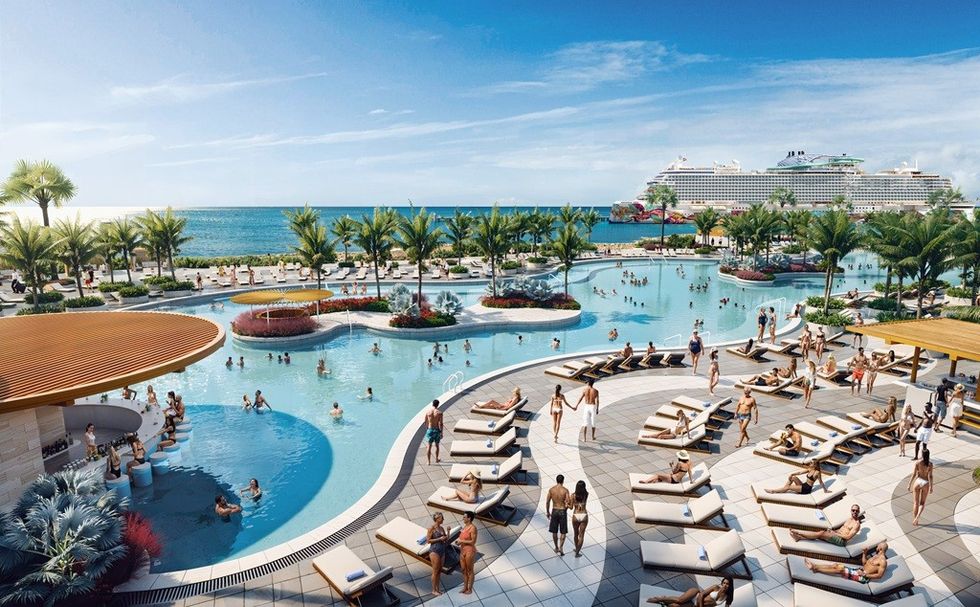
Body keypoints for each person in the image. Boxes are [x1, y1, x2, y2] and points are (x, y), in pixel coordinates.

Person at [803, 543, 889, 585]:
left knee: (840, 569)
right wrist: (864, 553)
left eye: (878, 546)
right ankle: (815, 566)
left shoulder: (882, 561)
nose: (876, 547)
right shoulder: (875, 557)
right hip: (859, 571)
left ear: (880, 548)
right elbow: (864, 563)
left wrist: (865, 574)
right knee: (835, 565)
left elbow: (879, 575)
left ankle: (815, 569)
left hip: (863, 578)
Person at [789, 503, 863, 545]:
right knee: (819, 534)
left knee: (821, 534)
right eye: (853, 510)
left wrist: (835, 534)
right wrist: (833, 531)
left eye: (856, 511)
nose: (855, 512)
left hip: (841, 541)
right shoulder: (849, 519)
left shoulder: (856, 524)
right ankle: (799, 537)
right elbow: (841, 529)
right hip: (837, 535)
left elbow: (848, 537)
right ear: (851, 511)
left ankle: (798, 532)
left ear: (859, 511)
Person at [644, 577, 733, 606]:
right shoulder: (716, 587)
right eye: (724, 583)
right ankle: (659, 598)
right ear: (722, 583)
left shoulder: (728, 597)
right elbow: (702, 594)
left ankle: (664, 602)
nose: (725, 585)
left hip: (696, 605)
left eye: (727, 584)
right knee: (679, 600)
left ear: (730, 586)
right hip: (696, 595)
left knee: (675, 606)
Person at [546, 475, 571, 556]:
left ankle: (556, 547)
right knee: (563, 531)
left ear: (556, 480)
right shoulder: (565, 490)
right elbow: (568, 503)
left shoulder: (551, 490)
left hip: (555, 510)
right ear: (563, 481)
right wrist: (565, 508)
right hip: (562, 511)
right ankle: (561, 547)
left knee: (554, 531)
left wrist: (548, 512)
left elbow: (547, 502)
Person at [908, 447, 934, 526]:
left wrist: (909, 484)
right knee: (922, 503)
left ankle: (915, 520)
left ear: (922, 454)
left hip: (918, 481)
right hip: (925, 482)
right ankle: (918, 517)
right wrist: (931, 487)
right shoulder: (930, 464)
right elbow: (930, 476)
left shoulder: (918, 463)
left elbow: (914, 474)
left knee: (916, 503)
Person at [427, 512, 449, 596]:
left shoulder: (442, 528)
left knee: (439, 571)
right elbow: (428, 541)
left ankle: (438, 589)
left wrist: (448, 531)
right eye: (442, 518)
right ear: (437, 519)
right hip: (434, 551)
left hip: (442, 550)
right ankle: (433, 590)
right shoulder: (431, 528)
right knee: (435, 571)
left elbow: (446, 539)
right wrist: (439, 539)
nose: (443, 519)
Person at [456, 511, 478, 595]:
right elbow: (463, 538)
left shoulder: (473, 528)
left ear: (469, 518)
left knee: (470, 570)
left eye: (464, 517)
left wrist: (461, 541)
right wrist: (459, 542)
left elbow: (473, 541)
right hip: (462, 550)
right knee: (463, 570)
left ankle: (470, 589)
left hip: (469, 551)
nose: (463, 518)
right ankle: (465, 587)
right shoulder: (465, 527)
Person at [570, 480, 589, 558]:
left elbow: (571, 507)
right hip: (583, 515)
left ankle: (576, 548)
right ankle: (577, 552)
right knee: (581, 535)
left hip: (576, 514)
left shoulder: (573, 496)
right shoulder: (586, 494)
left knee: (576, 534)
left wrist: (567, 504)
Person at [424, 399, 443, 465]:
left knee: (429, 446)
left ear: (432, 404)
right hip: (436, 430)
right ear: (438, 405)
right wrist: (441, 433)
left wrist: (427, 429)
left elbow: (425, 421)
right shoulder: (439, 413)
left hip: (430, 430)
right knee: (437, 445)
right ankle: (436, 459)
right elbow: (441, 424)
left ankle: (428, 461)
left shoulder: (428, 412)